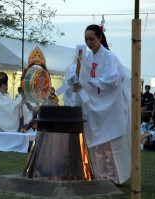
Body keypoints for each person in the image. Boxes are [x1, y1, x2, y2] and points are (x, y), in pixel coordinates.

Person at [63, 24, 131, 184]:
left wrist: (91, 82)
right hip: (93, 105)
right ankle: (98, 176)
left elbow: (113, 79)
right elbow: (73, 69)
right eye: (86, 39)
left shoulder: (110, 57)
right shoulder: (85, 57)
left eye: (91, 39)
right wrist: (74, 76)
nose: (88, 42)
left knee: (109, 144)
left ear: (100, 37)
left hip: (109, 106)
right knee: (95, 144)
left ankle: (113, 178)